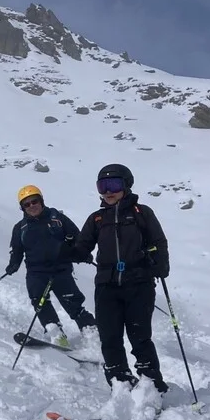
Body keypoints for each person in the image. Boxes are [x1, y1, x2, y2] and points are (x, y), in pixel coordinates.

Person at [68, 164, 170, 392]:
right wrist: (69, 251)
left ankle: (152, 385)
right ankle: (120, 382)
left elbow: (158, 241)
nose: (108, 191)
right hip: (107, 286)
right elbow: (82, 247)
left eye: (113, 185)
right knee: (109, 337)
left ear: (126, 185)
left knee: (140, 337)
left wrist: (161, 263)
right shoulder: (97, 219)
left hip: (139, 283)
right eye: (102, 186)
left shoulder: (141, 213)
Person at [5, 184, 97, 346]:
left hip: (60, 270)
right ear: (22, 208)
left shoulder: (58, 219)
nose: (31, 206)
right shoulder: (20, 228)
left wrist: (81, 254)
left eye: (34, 201)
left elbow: (79, 239)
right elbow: (17, 250)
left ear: (41, 201)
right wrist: (13, 264)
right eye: (26, 204)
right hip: (36, 273)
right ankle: (56, 334)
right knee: (39, 302)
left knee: (73, 303)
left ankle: (92, 333)